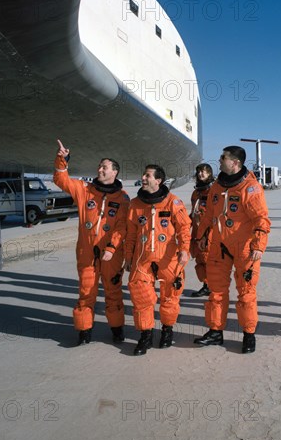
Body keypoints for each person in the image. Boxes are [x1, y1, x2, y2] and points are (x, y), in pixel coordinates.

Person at [193, 146, 270, 353]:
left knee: (246, 293)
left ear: (235, 163)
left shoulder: (250, 188)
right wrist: (201, 235)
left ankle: (248, 334)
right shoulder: (217, 187)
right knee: (216, 292)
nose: (219, 160)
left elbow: (261, 220)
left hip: (245, 248)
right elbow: (209, 214)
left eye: (223, 158)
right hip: (219, 247)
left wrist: (258, 246)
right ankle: (216, 331)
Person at [54, 139, 129, 345]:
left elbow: (122, 227)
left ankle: (116, 329)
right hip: (87, 253)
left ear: (115, 172)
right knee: (86, 292)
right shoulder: (84, 190)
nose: (100, 169)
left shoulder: (123, 198)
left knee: (113, 293)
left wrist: (112, 248)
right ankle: (84, 331)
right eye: (99, 166)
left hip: (111, 255)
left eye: (104, 167)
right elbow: (61, 180)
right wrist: (62, 159)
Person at [124, 165, 191, 356]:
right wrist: (128, 257)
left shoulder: (172, 202)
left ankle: (167, 331)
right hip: (142, 259)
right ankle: (145, 335)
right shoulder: (136, 204)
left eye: (147, 175)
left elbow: (184, 228)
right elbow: (130, 234)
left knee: (170, 297)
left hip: (168, 258)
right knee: (141, 297)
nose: (143, 178)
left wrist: (184, 250)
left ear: (158, 180)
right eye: (143, 174)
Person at [190, 163, 215, 297]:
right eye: (199, 172)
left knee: (208, 260)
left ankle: (213, 286)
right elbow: (193, 212)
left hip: (208, 231)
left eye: (203, 172)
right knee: (200, 260)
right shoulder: (196, 193)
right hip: (196, 230)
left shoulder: (213, 191)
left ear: (210, 174)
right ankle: (206, 285)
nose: (200, 174)